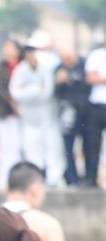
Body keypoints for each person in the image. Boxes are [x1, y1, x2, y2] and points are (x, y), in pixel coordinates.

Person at [10, 42, 65, 186]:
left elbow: (47, 92)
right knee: (32, 149)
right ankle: (35, 179)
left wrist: (27, 90)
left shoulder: (46, 68)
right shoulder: (20, 70)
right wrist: (35, 89)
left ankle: (54, 178)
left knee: (52, 148)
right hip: (29, 118)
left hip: (47, 117)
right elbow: (16, 93)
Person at [54, 47, 89, 186]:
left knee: (88, 145)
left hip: (85, 112)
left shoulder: (84, 65)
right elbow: (54, 92)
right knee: (68, 147)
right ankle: (72, 177)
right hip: (67, 113)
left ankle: (88, 177)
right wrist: (59, 81)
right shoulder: (59, 68)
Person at [0, 39, 23, 188]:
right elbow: (2, 88)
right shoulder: (0, 66)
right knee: (7, 146)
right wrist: (13, 104)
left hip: (26, 112)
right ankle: (8, 177)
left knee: (24, 145)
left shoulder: (23, 65)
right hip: (6, 111)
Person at [84, 39, 106, 188]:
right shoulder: (96, 55)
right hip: (97, 105)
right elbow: (90, 77)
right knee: (93, 144)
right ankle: (92, 178)